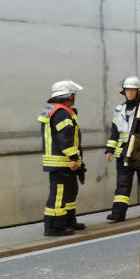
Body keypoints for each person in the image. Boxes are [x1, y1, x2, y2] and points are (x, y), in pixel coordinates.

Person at [105, 76, 140, 221]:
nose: (129, 93)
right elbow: (114, 132)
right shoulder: (119, 109)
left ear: (138, 91)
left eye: (132, 90)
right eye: (127, 90)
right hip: (123, 153)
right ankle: (118, 213)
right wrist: (109, 150)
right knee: (122, 185)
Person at [39, 80, 86, 237]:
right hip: (61, 161)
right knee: (59, 193)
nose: (74, 98)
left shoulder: (53, 110)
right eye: (73, 95)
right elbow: (65, 138)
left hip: (61, 161)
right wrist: (73, 157)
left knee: (70, 191)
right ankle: (54, 227)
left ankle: (68, 220)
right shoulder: (62, 113)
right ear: (68, 96)